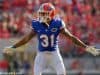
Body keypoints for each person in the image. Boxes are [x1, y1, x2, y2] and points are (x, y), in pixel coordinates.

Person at [4, 3, 100, 75]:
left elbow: (71, 37)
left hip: (55, 54)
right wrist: (14, 47)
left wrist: (86, 47)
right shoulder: (36, 23)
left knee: (62, 73)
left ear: (52, 14)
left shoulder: (57, 23)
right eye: (41, 13)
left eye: (45, 14)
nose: (42, 16)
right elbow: (27, 39)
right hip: (41, 55)